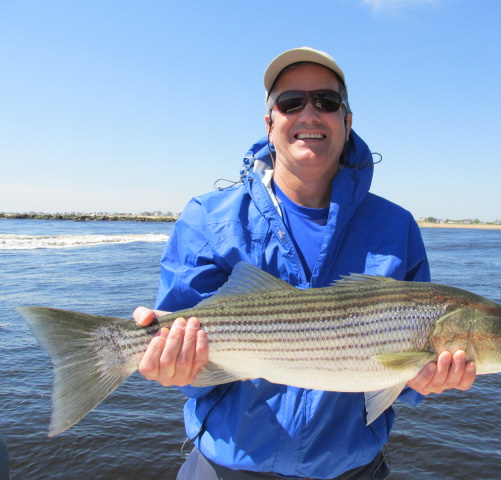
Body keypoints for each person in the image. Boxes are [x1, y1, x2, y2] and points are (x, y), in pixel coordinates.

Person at [134, 47, 476, 479]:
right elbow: (186, 365)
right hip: (224, 469)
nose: (310, 114)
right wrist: (171, 367)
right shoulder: (207, 216)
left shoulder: (397, 226)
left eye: (327, 102)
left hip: (354, 470)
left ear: (347, 121)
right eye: (291, 102)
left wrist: (423, 381)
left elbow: (401, 383)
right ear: (270, 123)